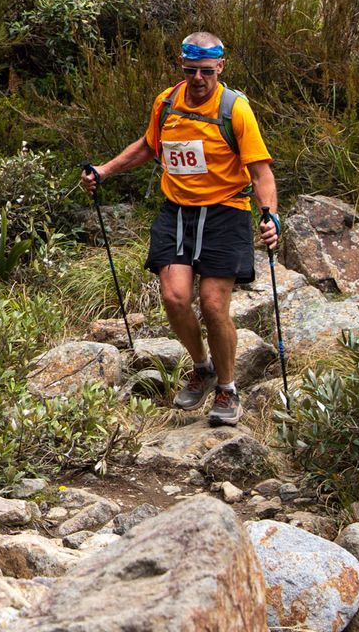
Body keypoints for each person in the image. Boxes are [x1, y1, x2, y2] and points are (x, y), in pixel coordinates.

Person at [79, 32, 279, 427]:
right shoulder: (167, 102)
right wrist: (104, 171)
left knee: (213, 304)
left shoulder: (235, 110)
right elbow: (149, 146)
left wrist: (269, 215)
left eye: (206, 71)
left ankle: (227, 387)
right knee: (173, 297)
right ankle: (201, 367)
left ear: (220, 67)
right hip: (177, 212)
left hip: (225, 213)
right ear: (182, 66)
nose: (199, 78)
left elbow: (261, 172)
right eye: (191, 71)